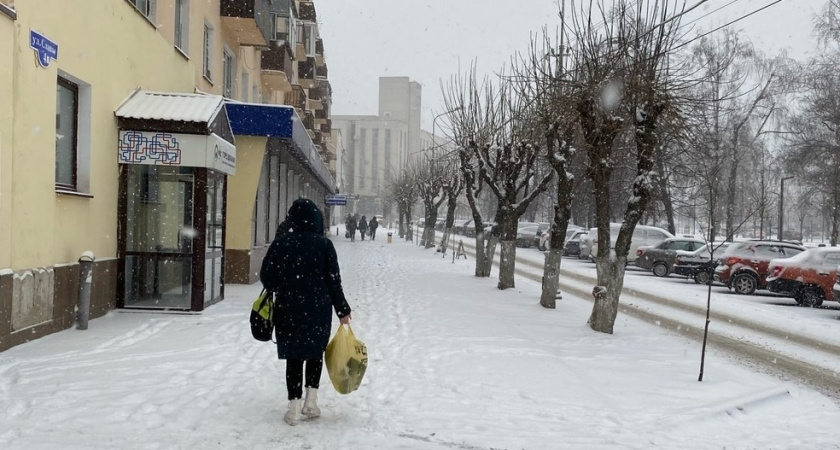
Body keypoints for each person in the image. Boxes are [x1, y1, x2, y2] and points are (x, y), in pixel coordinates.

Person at [260, 198, 352, 426]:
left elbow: (267, 278)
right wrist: (342, 310)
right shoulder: (324, 245)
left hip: (288, 309)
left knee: (293, 357)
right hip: (318, 309)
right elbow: (334, 281)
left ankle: (293, 408)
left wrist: (285, 282)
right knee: (314, 354)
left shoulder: (281, 244)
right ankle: (311, 402)